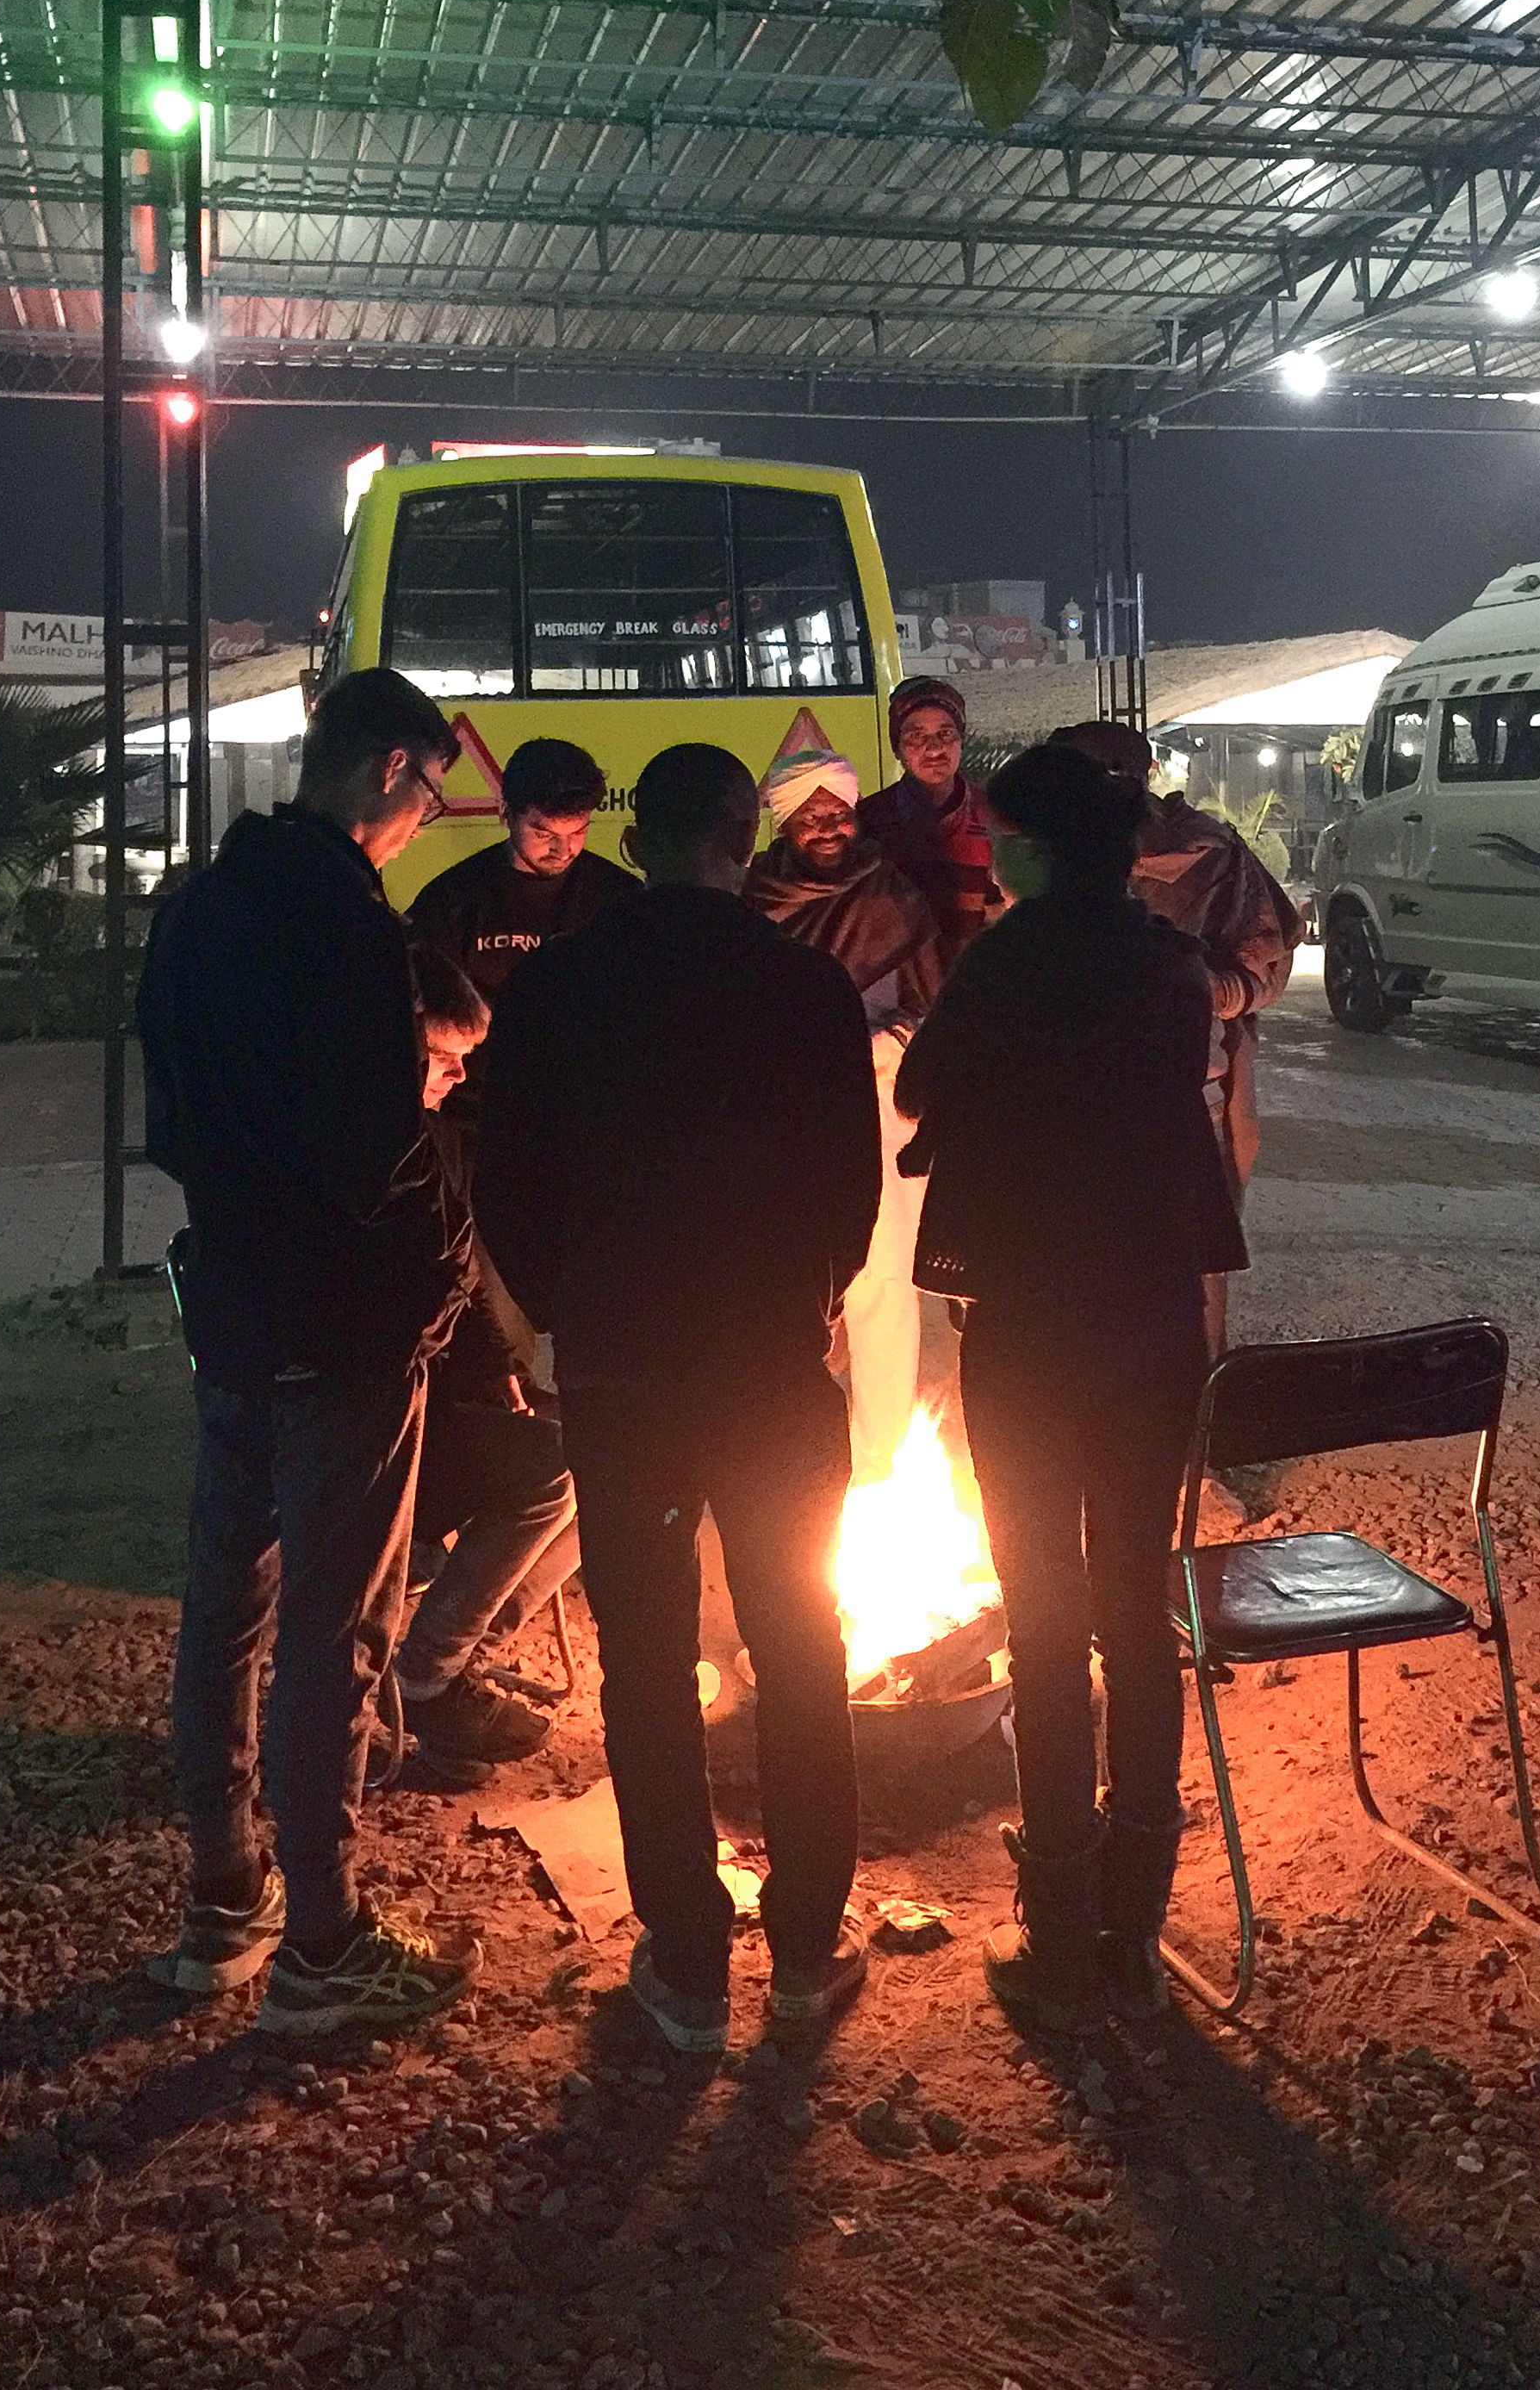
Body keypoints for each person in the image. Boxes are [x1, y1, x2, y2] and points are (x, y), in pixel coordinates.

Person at [475, 744, 883, 2053]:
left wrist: (559, 1310)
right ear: (734, 835)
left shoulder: (558, 990)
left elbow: (508, 1181)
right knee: (802, 1645)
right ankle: (812, 1954)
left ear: (637, 839)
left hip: (626, 1374)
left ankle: (689, 1964)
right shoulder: (804, 985)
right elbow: (851, 1188)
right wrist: (816, 1295)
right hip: (768, 1367)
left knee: (646, 1663)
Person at [139, 667, 482, 2035]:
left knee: (227, 1605)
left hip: (230, 1307)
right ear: (394, 769)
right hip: (341, 1326)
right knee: (333, 1631)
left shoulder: (198, 908)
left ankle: (224, 1896)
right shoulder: (348, 924)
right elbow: (377, 1158)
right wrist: (444, 1266)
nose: (424, 818)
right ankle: (324, 1942)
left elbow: (166, 1118)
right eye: (431, 789)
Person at [895, 742, 1245, 2031]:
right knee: (1133, 1611)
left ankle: (1057, 1918)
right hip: (1153, 1313)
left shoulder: (1011, 957)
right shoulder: (1170, 964)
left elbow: (926, 1082)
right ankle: (1135, 1928)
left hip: (1034, 1318)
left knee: (1044, 1616)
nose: (989, 851)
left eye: (1002, 834)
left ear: (1040, 847)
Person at [1053, 720, 1300, 1354]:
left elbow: (1262, 968)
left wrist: (1191, 989)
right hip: (1076, 1103)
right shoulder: (1047, 858)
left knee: (1190, 1278)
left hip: (1190, 1096)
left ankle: (1193, 1442)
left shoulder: (1210, 856)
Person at [391, 946, 574, 1785]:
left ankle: (466, 1654)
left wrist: (497, 1360)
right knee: (550, 1478)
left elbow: (463, 1272)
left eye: (468, 1060)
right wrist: (479, 1367)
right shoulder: (382, 1153)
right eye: (443, 1059)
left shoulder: (440, 1136)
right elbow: (423, 1291)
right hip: (392, 1410)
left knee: (607, 1466)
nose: (460, 1077)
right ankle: (425, 1675)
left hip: (450, 1385)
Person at [743, 739, 945, 1466]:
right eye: (811, 816)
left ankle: (880, 1466)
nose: (828, 827)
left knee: (884, 1288)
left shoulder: (894, 898)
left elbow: (932, 1010)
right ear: (783, 822)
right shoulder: (752, 902)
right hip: (786, 1118)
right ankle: (794, 1465)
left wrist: (882, 1043)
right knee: (787, 1289)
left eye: (839, 813)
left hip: (882, 1110)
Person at [407, 733, 636, 1011]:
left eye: (578, 832)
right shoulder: (451, 902)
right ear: (505, 813)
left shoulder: (621, 898)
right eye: (543, 833)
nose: (563, 849)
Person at [857, 675, 999, 957]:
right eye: (916, 736)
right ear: (898, 748)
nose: (934, 749)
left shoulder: (996, 816)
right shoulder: (868, 821)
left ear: (960, 741)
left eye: (946, 733)